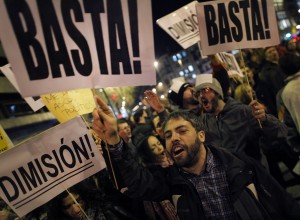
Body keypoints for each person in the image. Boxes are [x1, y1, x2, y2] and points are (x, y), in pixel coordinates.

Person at [92, 98, 300, 219]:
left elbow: (285, 205)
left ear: (201, 135)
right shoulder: (170, 182)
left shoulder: (242, 165)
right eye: (168, 136)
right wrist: (112, 139)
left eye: (181, 131)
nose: (174, 139)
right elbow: (137, 183)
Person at [194, 73, 287, 169]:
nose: (201, 96)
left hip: (255, 176)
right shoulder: (203, 123)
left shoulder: (243, 112)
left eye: (205, 90)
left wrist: (265, 119)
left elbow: (281, 132)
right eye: (198, 93)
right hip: (231, 181)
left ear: (217, 92)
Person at [132, 134, 178, 220]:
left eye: (159, 143)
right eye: (153, 148)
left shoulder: (173, 161)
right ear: (147, 155)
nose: (160, 148)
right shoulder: (152, 174)